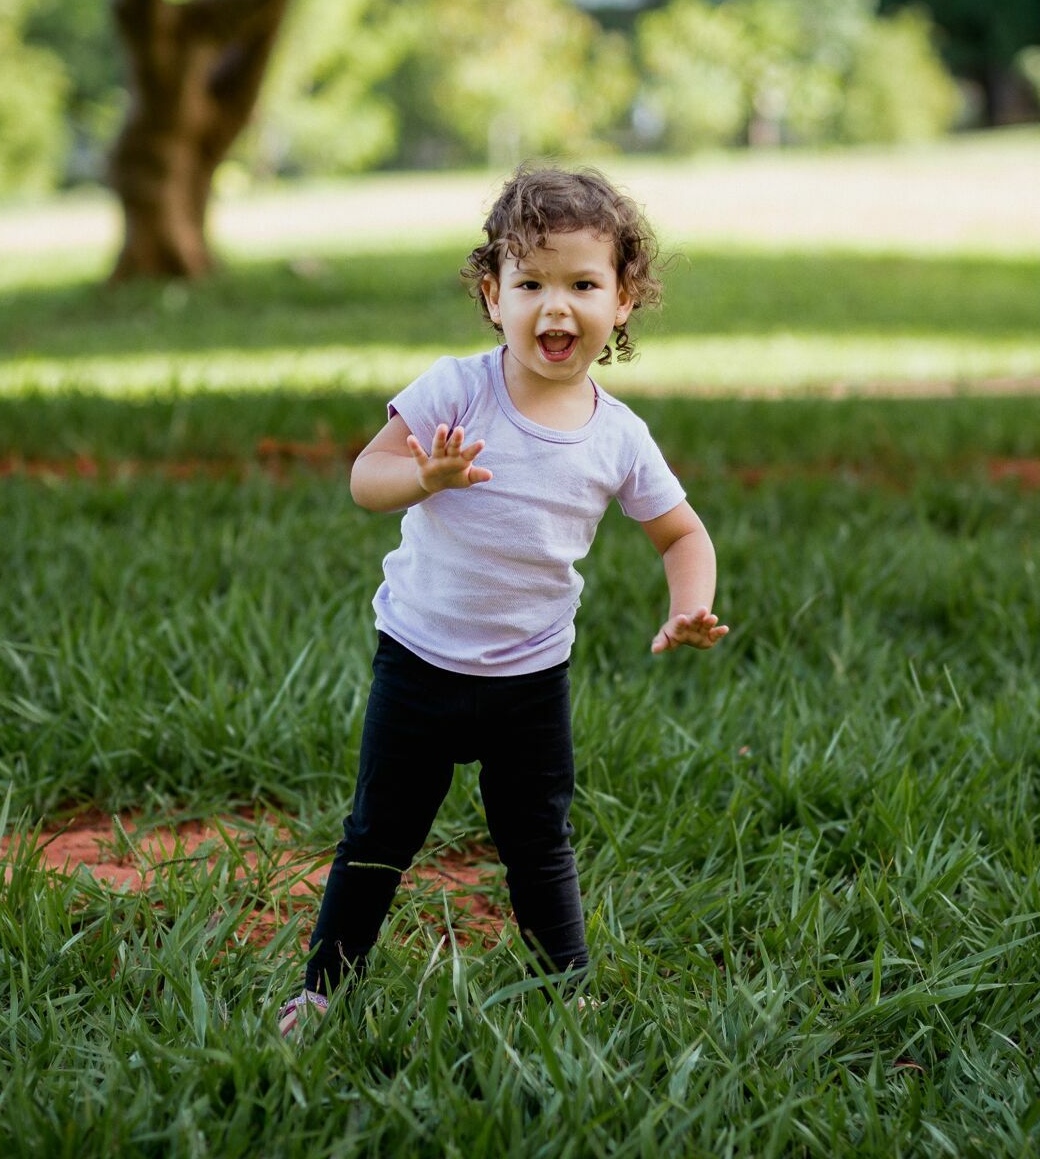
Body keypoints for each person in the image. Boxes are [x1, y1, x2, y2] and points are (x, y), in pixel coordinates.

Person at [277, 165, 729, 1039]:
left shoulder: (619, 435)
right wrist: (423, 475)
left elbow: (683, 536)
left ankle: (569, 993)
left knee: (539, 843)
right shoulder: (457, 389)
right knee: (379, 834)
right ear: (493, 295)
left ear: (625, 299)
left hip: (531, 678)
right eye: (530, 283)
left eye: (582, 284)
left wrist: (689, 605)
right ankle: (324, 990)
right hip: (418, 663)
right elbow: (364, 479)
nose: (554, 307)